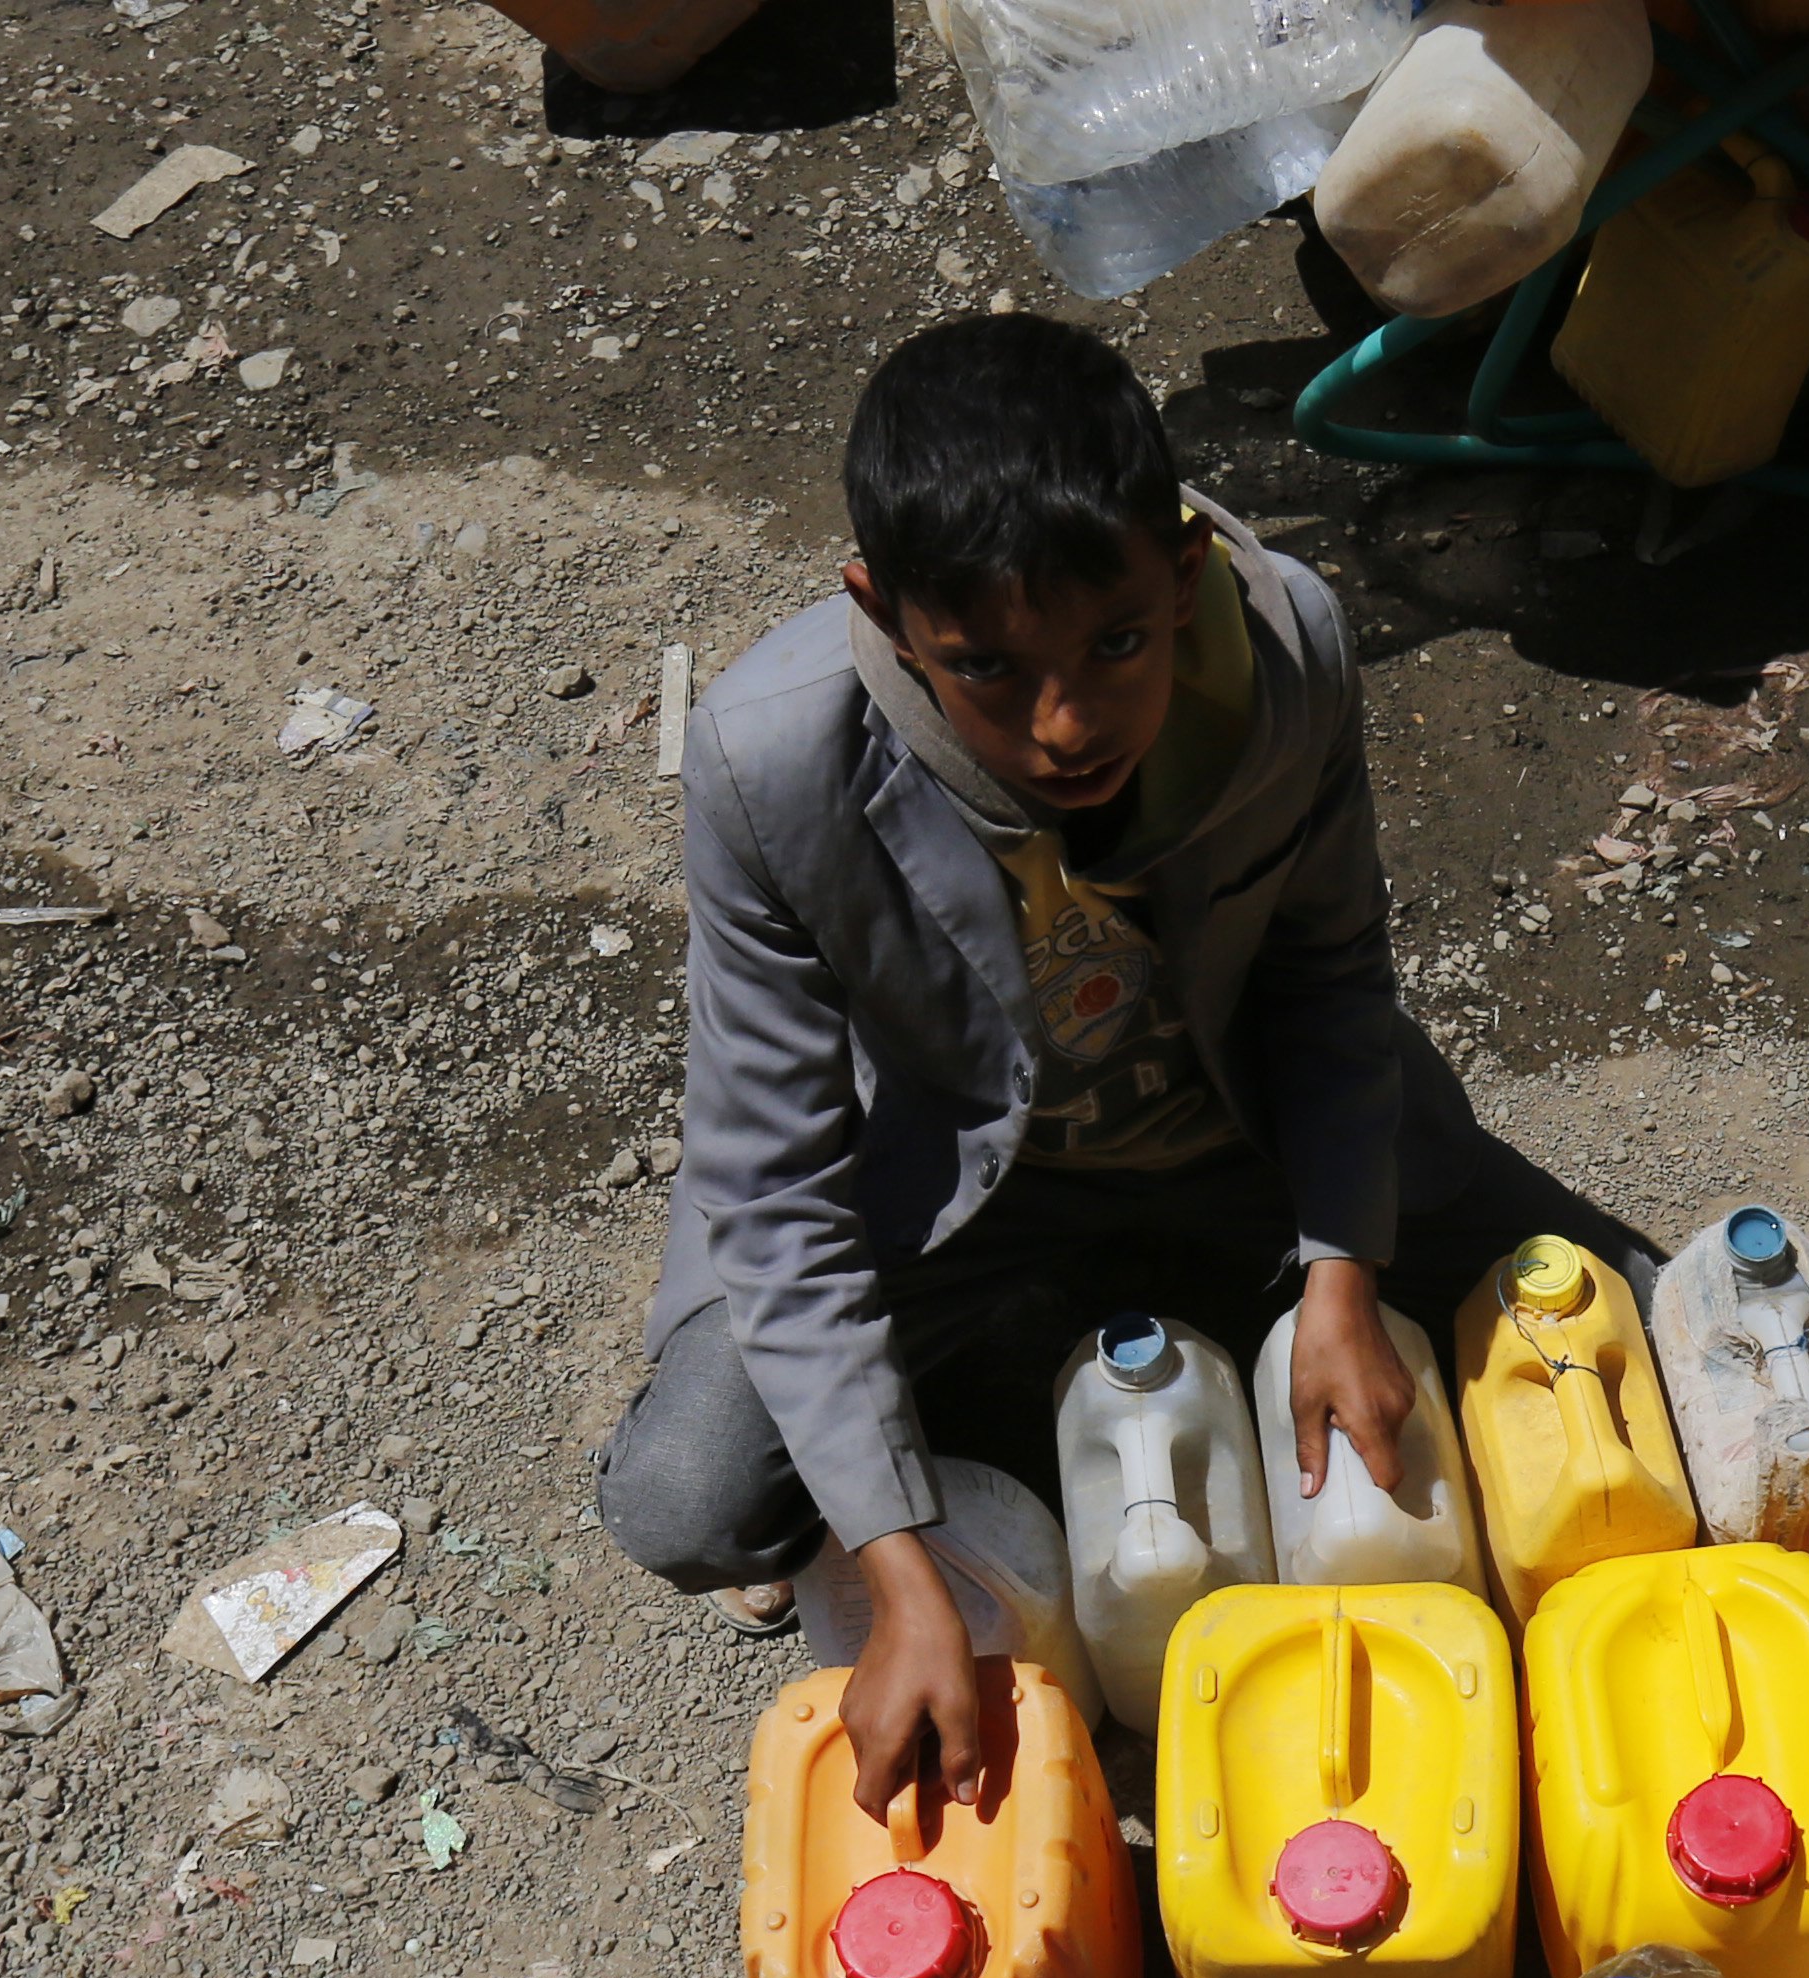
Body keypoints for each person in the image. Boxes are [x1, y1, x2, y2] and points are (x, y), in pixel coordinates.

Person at [597, 311, 1642, 1814]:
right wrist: (900, 1577)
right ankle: (986, 1396)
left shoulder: (1288, 657)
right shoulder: (773, 767)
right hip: (952, 1194)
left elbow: (1332, 983)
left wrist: (1344, 1275)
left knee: (1651, 1321)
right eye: (988, 670)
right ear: (883, 615)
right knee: (689, 1501)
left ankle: (1205, 1319)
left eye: (1120, 642)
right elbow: (775, 1194)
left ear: (1186, 572)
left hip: (1240, 1141)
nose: (1069, 720)